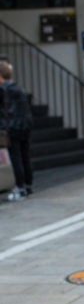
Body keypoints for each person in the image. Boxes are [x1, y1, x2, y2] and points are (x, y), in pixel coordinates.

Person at [0, 60, 34, 201]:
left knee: (16, 158)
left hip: (11, 127)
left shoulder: (2, 90)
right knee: (25, 156)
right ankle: (28, 185)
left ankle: (20, 188)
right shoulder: (18, 88)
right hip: (24, 126)